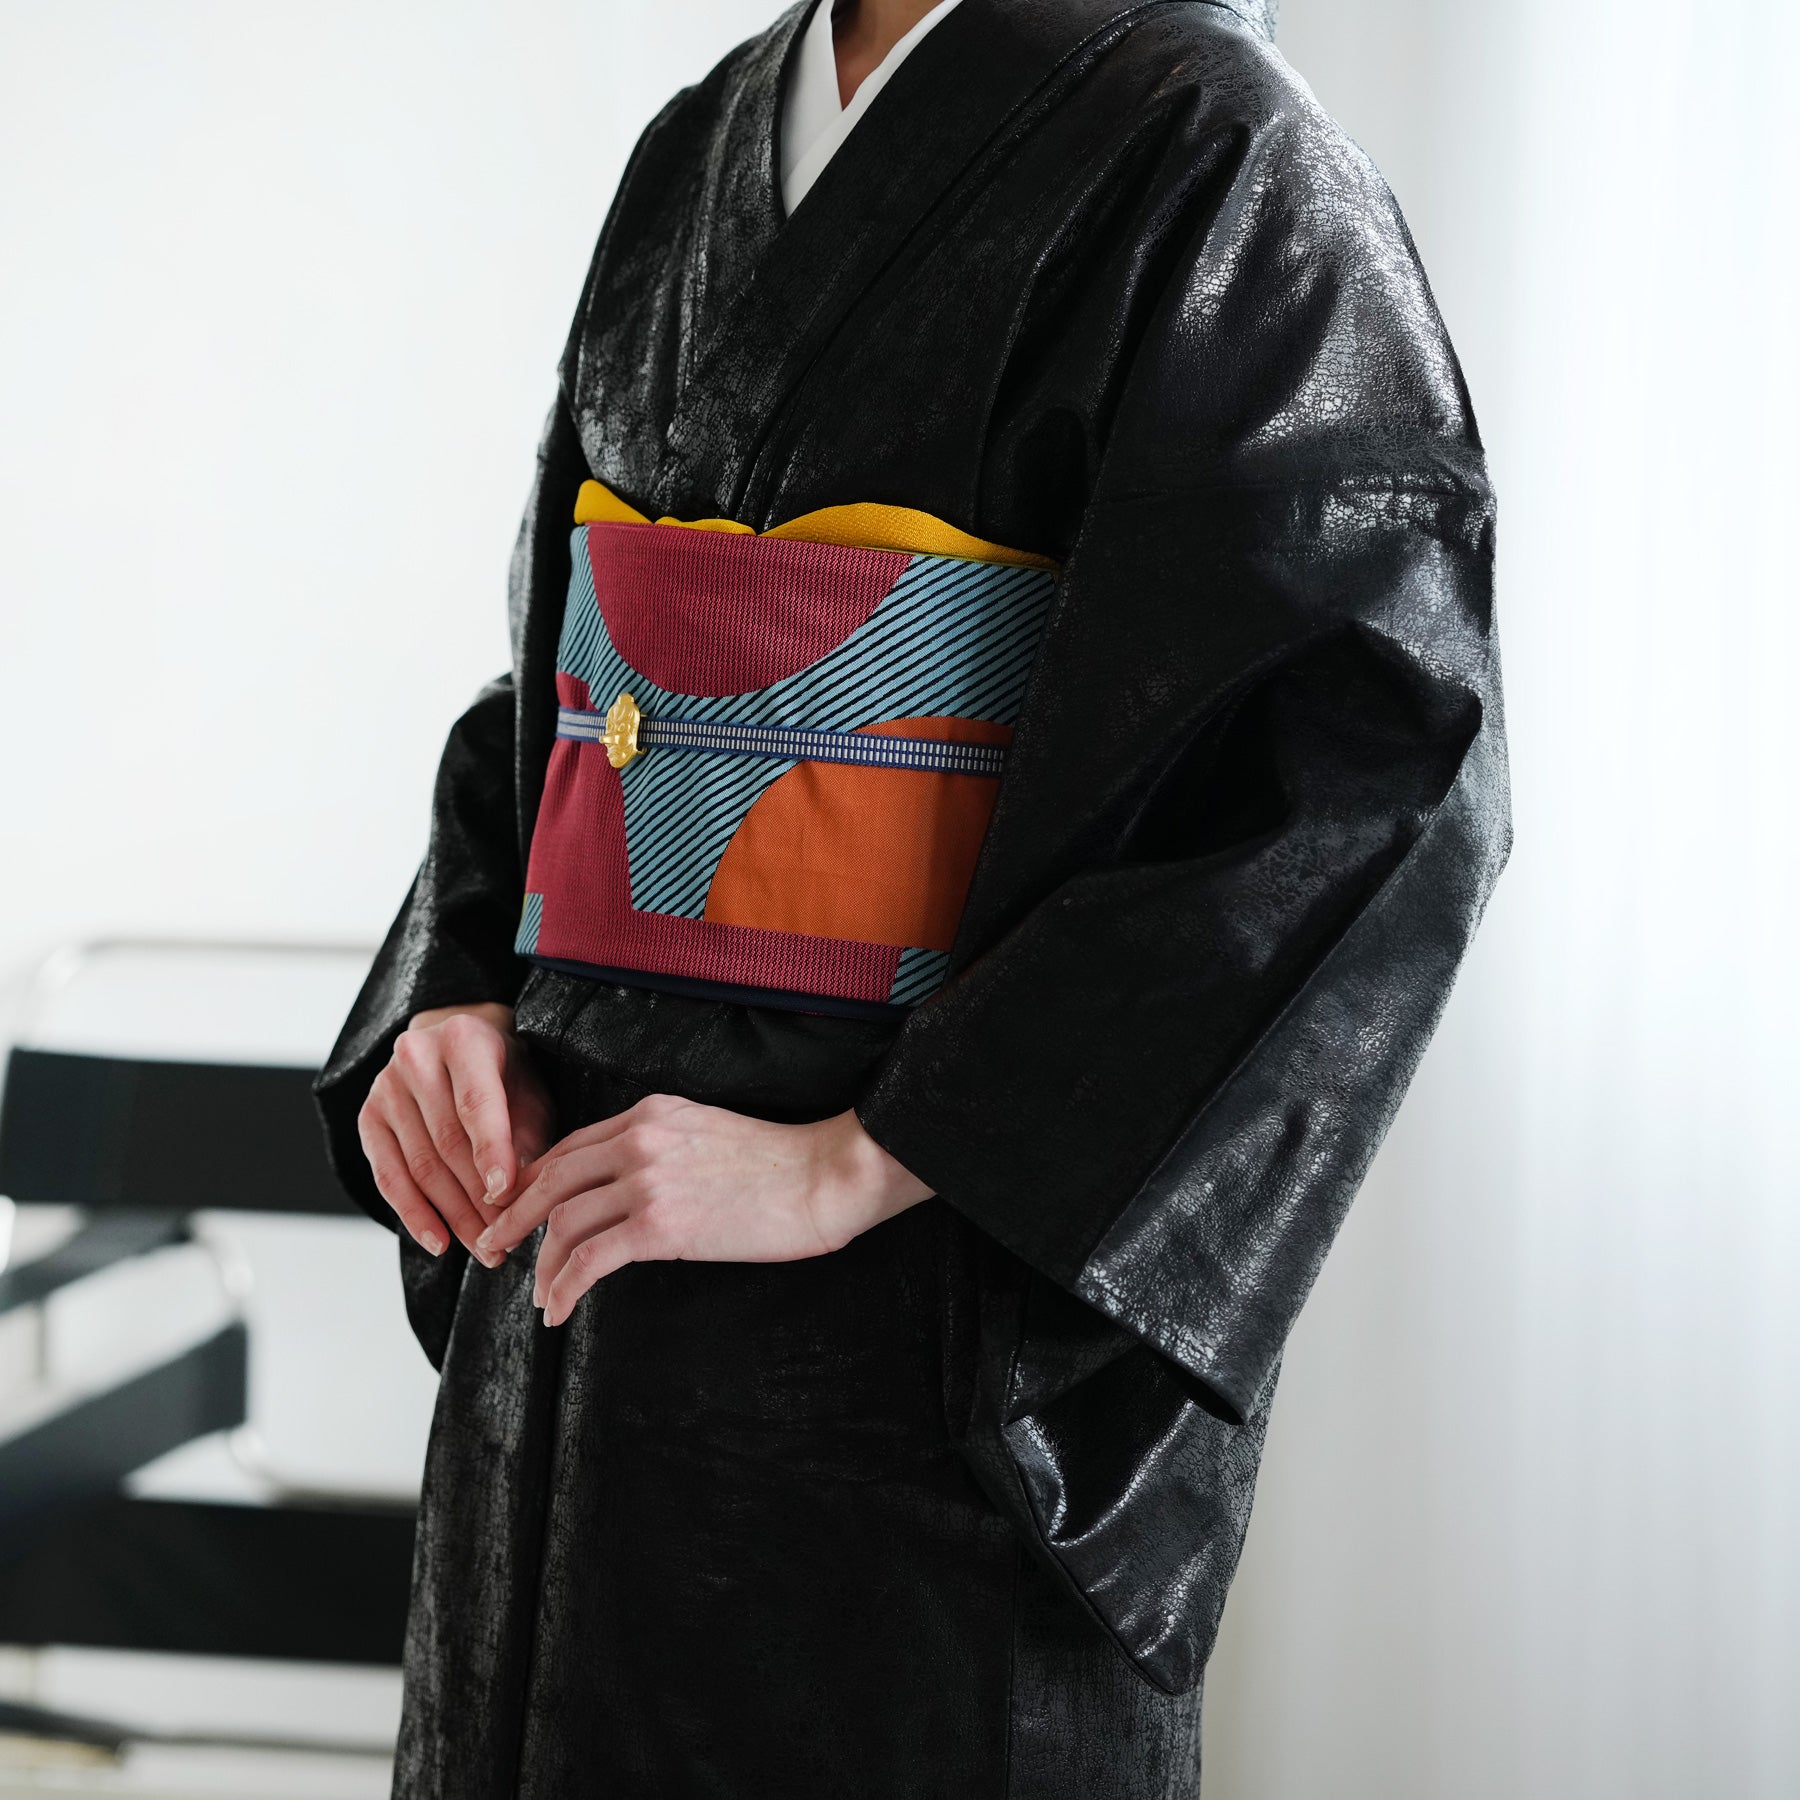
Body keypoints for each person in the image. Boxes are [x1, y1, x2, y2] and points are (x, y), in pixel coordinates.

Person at [315, 0, 1510, 1792]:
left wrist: (864, 1158)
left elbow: (1362, 761)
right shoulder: (700, 142)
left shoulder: (1220, 148)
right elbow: (569, 670)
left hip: (903, 1322)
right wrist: (455, 993)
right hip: (569, 1262)